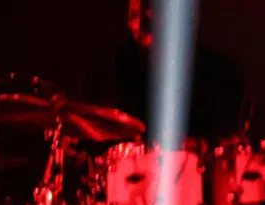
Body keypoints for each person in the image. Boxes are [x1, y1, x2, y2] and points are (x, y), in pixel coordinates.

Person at [79, 0, 246, 143]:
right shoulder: (106, 73)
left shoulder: (221, 74)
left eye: (153, 10)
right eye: (136, 14)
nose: (143, 21)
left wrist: (199, 145)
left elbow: (228, 142)